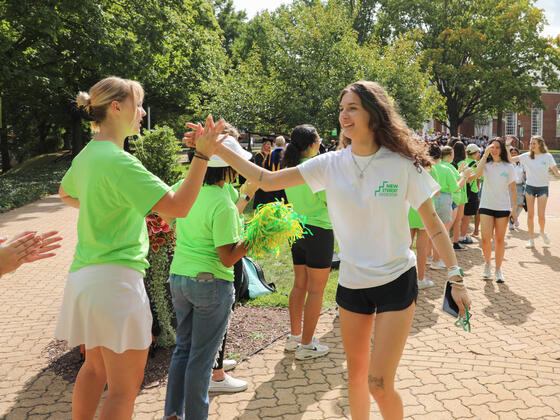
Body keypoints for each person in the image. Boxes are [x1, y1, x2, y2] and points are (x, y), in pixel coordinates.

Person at [191, 80, 472, 420]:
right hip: (352, 285)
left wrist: (457, 277)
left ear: (374, 112)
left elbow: (434, 224)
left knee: (379, 383)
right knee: (355, 378)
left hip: (396, 280)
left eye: (352, 107)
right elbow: (266, 179)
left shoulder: (401, 165)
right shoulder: (330, 164)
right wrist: (218, 150)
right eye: (341, 109)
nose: (344, 115)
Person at [55, 76, 224, 420]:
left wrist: (115, 208)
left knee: (94, 369)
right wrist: (202, 155)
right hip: (116, 285)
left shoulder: (88, 154)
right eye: (139, 103)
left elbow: (66, 193)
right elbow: (179, 206)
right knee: (123, 389)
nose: (143, 111)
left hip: (86, 279)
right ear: (116, 107)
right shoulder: (119, 162)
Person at [163, 136, 252, 420]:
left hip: (180, 277)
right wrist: (255, 238)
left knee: (183, 350)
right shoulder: (222, 203)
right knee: (201, 361)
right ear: (227, 169)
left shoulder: (184, 188)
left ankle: (172, 414)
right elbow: (227, 256)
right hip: (211, 285)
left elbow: (164, 217)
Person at [282, 124, 333, 360]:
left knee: (300, 284)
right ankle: (307, 345)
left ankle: (295, 337)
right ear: (312, 144)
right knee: (316, 290)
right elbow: (329, 200)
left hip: (297, 229)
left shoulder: (290, 168)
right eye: (318, 139)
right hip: (319, 231)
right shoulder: (314, 170)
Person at [475, 138, 516, 283]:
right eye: (492, 147)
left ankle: (498, 270)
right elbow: (477, 175)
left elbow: (513, 189)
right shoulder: (486, 164)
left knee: (499, 239)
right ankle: (487, 263)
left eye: (497, 147)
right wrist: (484, 155)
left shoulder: (508, 166)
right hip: (486, 205)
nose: (494, 150)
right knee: (485, 238)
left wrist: (514, 210)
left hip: (503, 207)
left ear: (502, 150)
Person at [507, 136, 560, 247]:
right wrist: (507, 145)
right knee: (530, 215)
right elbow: (510, 159)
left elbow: (556, 171)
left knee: (541, 216)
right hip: (530, 187)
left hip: (543, 188)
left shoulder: (547, 156)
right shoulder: (526, 156)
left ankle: (542, 231)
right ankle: (531, 239)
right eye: (531, 143)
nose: (531, 145)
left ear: (540, 144)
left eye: (534, 143)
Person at [459, 144, 480, 243]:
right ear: (475, 153)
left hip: (462, 190)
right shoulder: (474, 164)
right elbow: (469, 179)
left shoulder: (462, 162)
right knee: (467, 216)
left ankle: (459, 234)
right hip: (471, 192)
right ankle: (462, 236)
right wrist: (478, 173)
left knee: (461, 215)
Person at [251, 139, 273, 208]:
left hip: (270, 176)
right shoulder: (259, 155)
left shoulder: (272, 154)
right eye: (267, 144)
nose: (269, 146)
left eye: (270, 144)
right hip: (261, 176)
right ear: (263, 145)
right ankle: (259, 206)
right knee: (260, 193)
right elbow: (258, 167)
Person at [509, 147, 525, 231]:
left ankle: (514, 218)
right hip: (510, 186)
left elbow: (525, 174)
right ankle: (512, 221)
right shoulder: (508, 164)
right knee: (512, 205)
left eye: (515, 152)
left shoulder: (522, 164)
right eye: (512, 152)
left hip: (520, 185)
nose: (513, 154)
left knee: (521, 204)